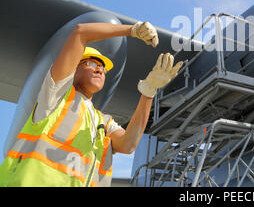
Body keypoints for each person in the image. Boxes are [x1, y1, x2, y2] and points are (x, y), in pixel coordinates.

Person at [0, 21, 183, 187]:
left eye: (102, 68)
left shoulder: (103, 122)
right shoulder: (56, 95)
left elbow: (128, 144)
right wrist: (131, 30)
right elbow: (81, 32)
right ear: (74, 69)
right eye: (90, 63)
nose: (99, 69)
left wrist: (148, 92)